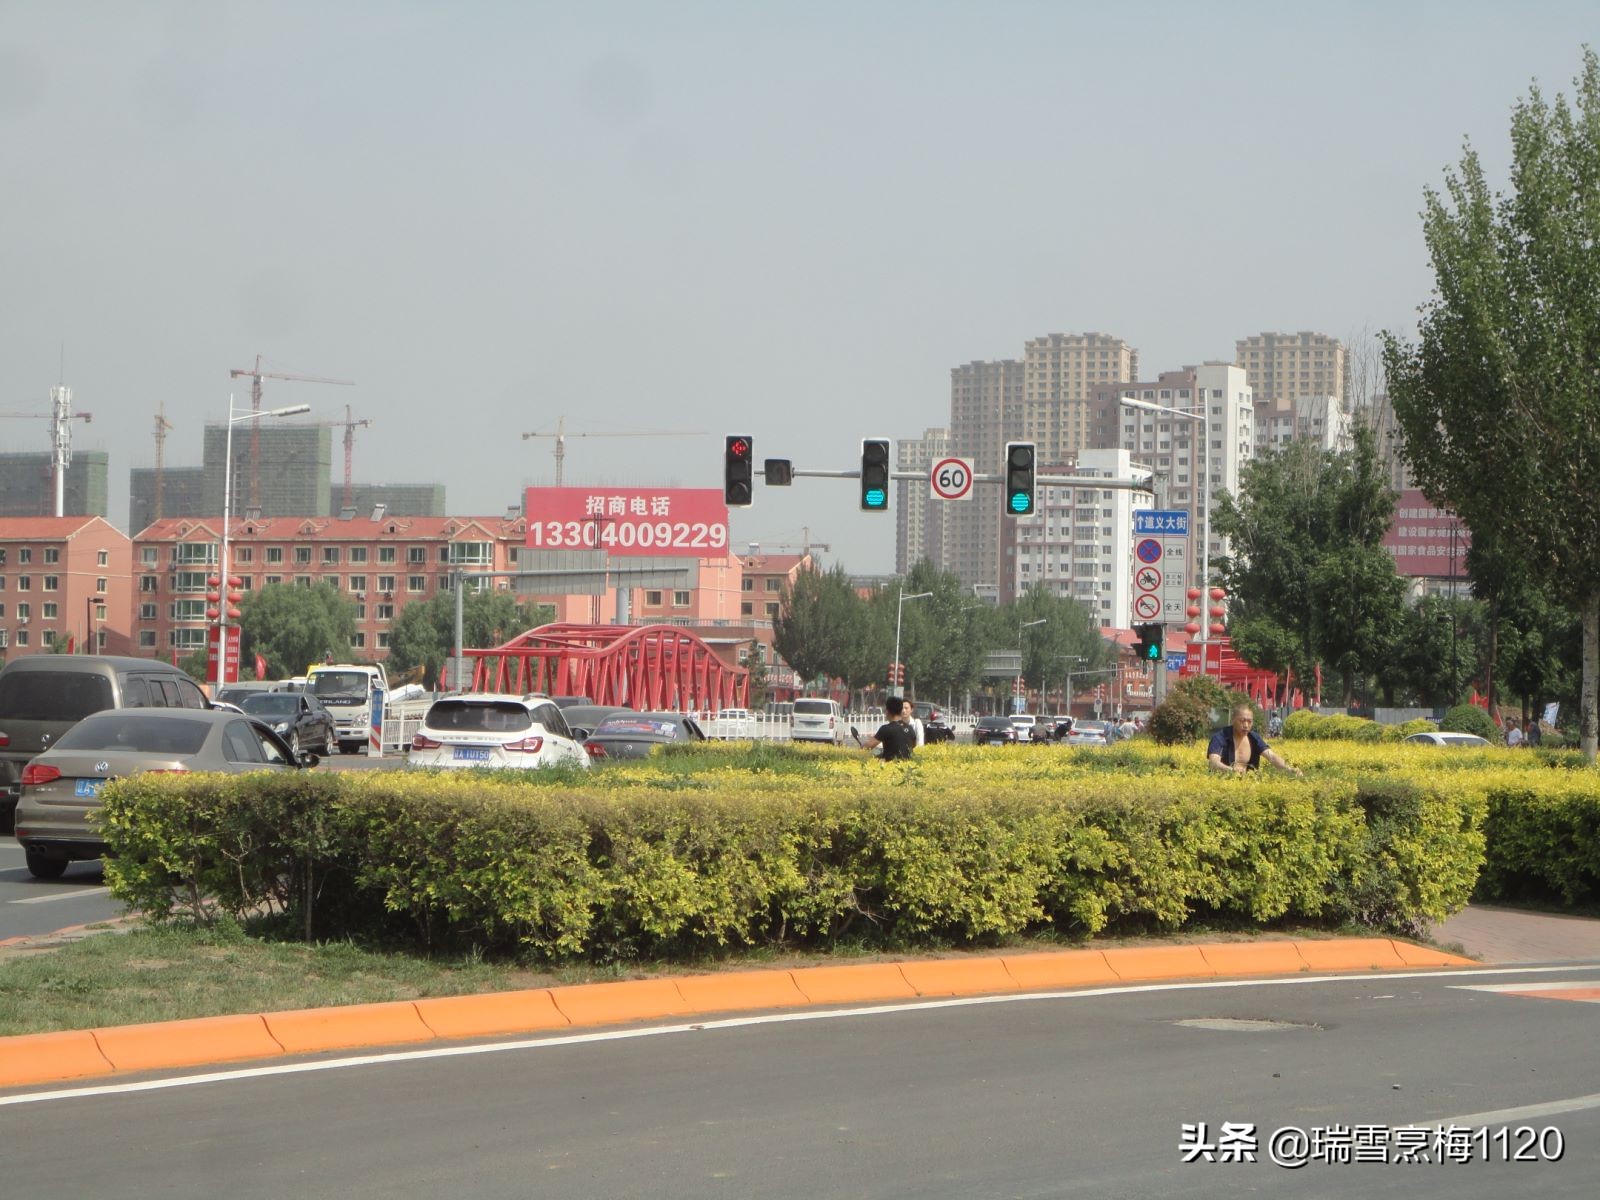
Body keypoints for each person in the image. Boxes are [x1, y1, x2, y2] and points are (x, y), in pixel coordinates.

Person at [1207, 704, 1302, 777]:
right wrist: (1231, 770)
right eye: (1242, 721)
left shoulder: (1254, 737)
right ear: (1233, 720)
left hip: (1249, 786)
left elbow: (1272, 756)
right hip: (1223, 784)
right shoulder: (1220, 737)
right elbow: (1213, 762)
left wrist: (1289, 769)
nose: (1246, 725)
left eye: (1249, 721)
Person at [864, 695, 918, 761]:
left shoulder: (886, 729)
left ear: (888, 711)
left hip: (891, 768)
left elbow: (867, 747)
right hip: (907, 766)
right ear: (900, 710)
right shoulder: (910, 728)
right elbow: (913, 745)